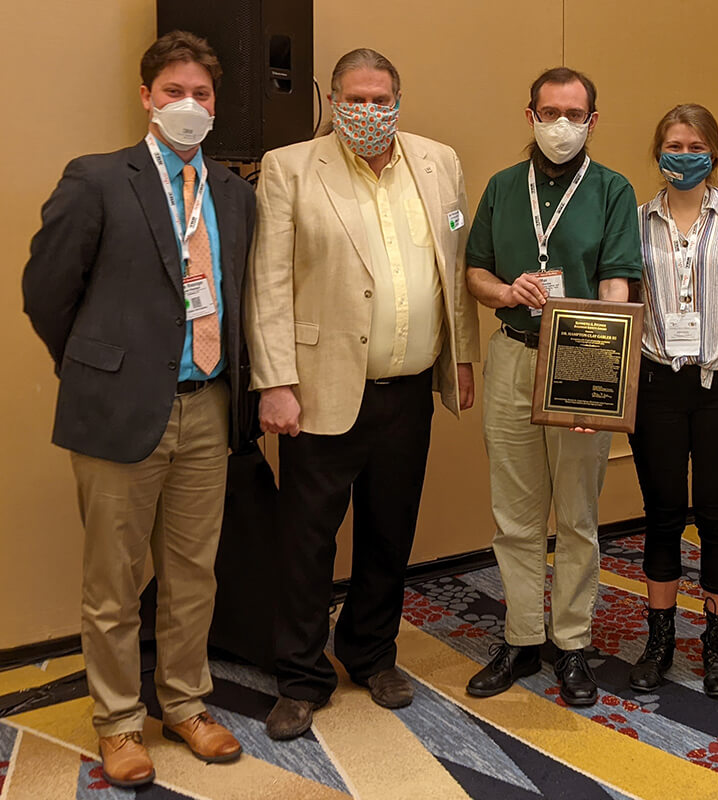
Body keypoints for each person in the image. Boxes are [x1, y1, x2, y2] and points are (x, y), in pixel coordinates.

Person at [22, 31, 254, 788]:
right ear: (147, 97)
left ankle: (184, 703)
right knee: (114, 582)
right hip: (119, 409)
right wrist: (95, 367)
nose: (190, 105)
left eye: (203, 95)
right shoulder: (96, 179)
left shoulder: (231, 192)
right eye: (175, 92)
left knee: (194, 575)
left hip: (208, 403)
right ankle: (119, 723)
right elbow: (47, 291)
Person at [245, 48, 480, 740]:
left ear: (398, 102)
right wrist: (277, 382)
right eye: (354, 99)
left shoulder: (439, 162)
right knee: (307, 541)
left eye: (380, 100)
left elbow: (453, 265)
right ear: (333, 102)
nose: (368, 112)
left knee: (389, 532)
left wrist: (460, 357)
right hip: (320, 391)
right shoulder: (291, 167)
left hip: (406, 390)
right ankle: (301, 676)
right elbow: (269, 283)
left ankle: (371, 652)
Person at [463, 67, 642, 706]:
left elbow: (618, 285)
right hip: (513, 355)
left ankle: (572, 644)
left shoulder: (613, 190)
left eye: (573, 114)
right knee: (514, 517)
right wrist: (506, 291)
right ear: (530, 113)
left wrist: (605, 382)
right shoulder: (503, 187)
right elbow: (475, 272)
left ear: (593, 121)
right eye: (549, 112)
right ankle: (520, 637)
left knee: (577, 517)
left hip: (580, 361)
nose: (560, 125)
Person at [625, 104, 718, 697]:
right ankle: (660, 637)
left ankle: (717, 640)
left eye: (695, 144)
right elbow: (625, 305)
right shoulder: (632, 222)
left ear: (714, 152)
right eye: (673, 144)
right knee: (661, 515)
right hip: (656, 383)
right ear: (657, 152)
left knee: (715, 514)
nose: (683, 154)